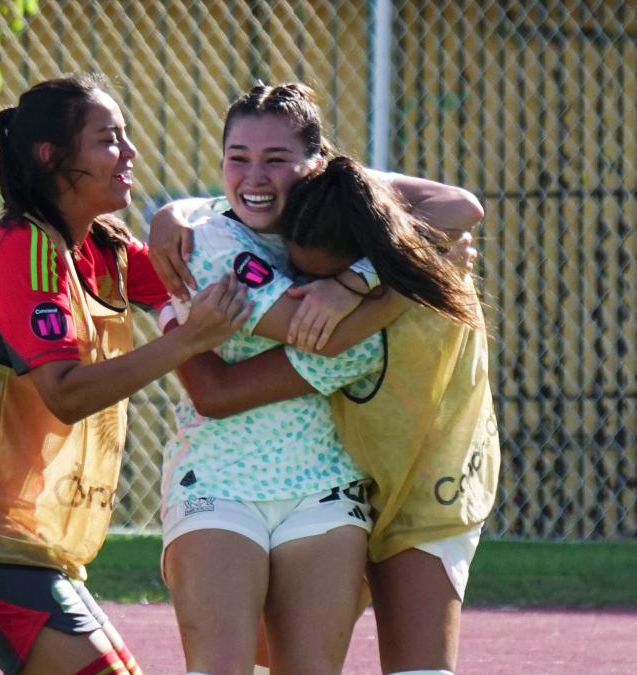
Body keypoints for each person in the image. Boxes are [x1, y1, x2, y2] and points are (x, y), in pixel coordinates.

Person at [0, 74, 252, 675]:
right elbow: (67, 394)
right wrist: (190, 339)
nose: (129, 153)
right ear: (52, 157)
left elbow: (194, 286)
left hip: (26, 543)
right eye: (109, 139)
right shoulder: (20, 250)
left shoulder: (105, 248)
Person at [149, 83, 486, 675]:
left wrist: (354, 278)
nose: (254, 175)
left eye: (276, 158)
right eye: (238, 157)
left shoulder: (355, 226)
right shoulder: (209, 239)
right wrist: (403, 281)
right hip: (221, 486)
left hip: (353, 483)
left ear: (319, 164)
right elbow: (324, 342)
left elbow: (463, 206)